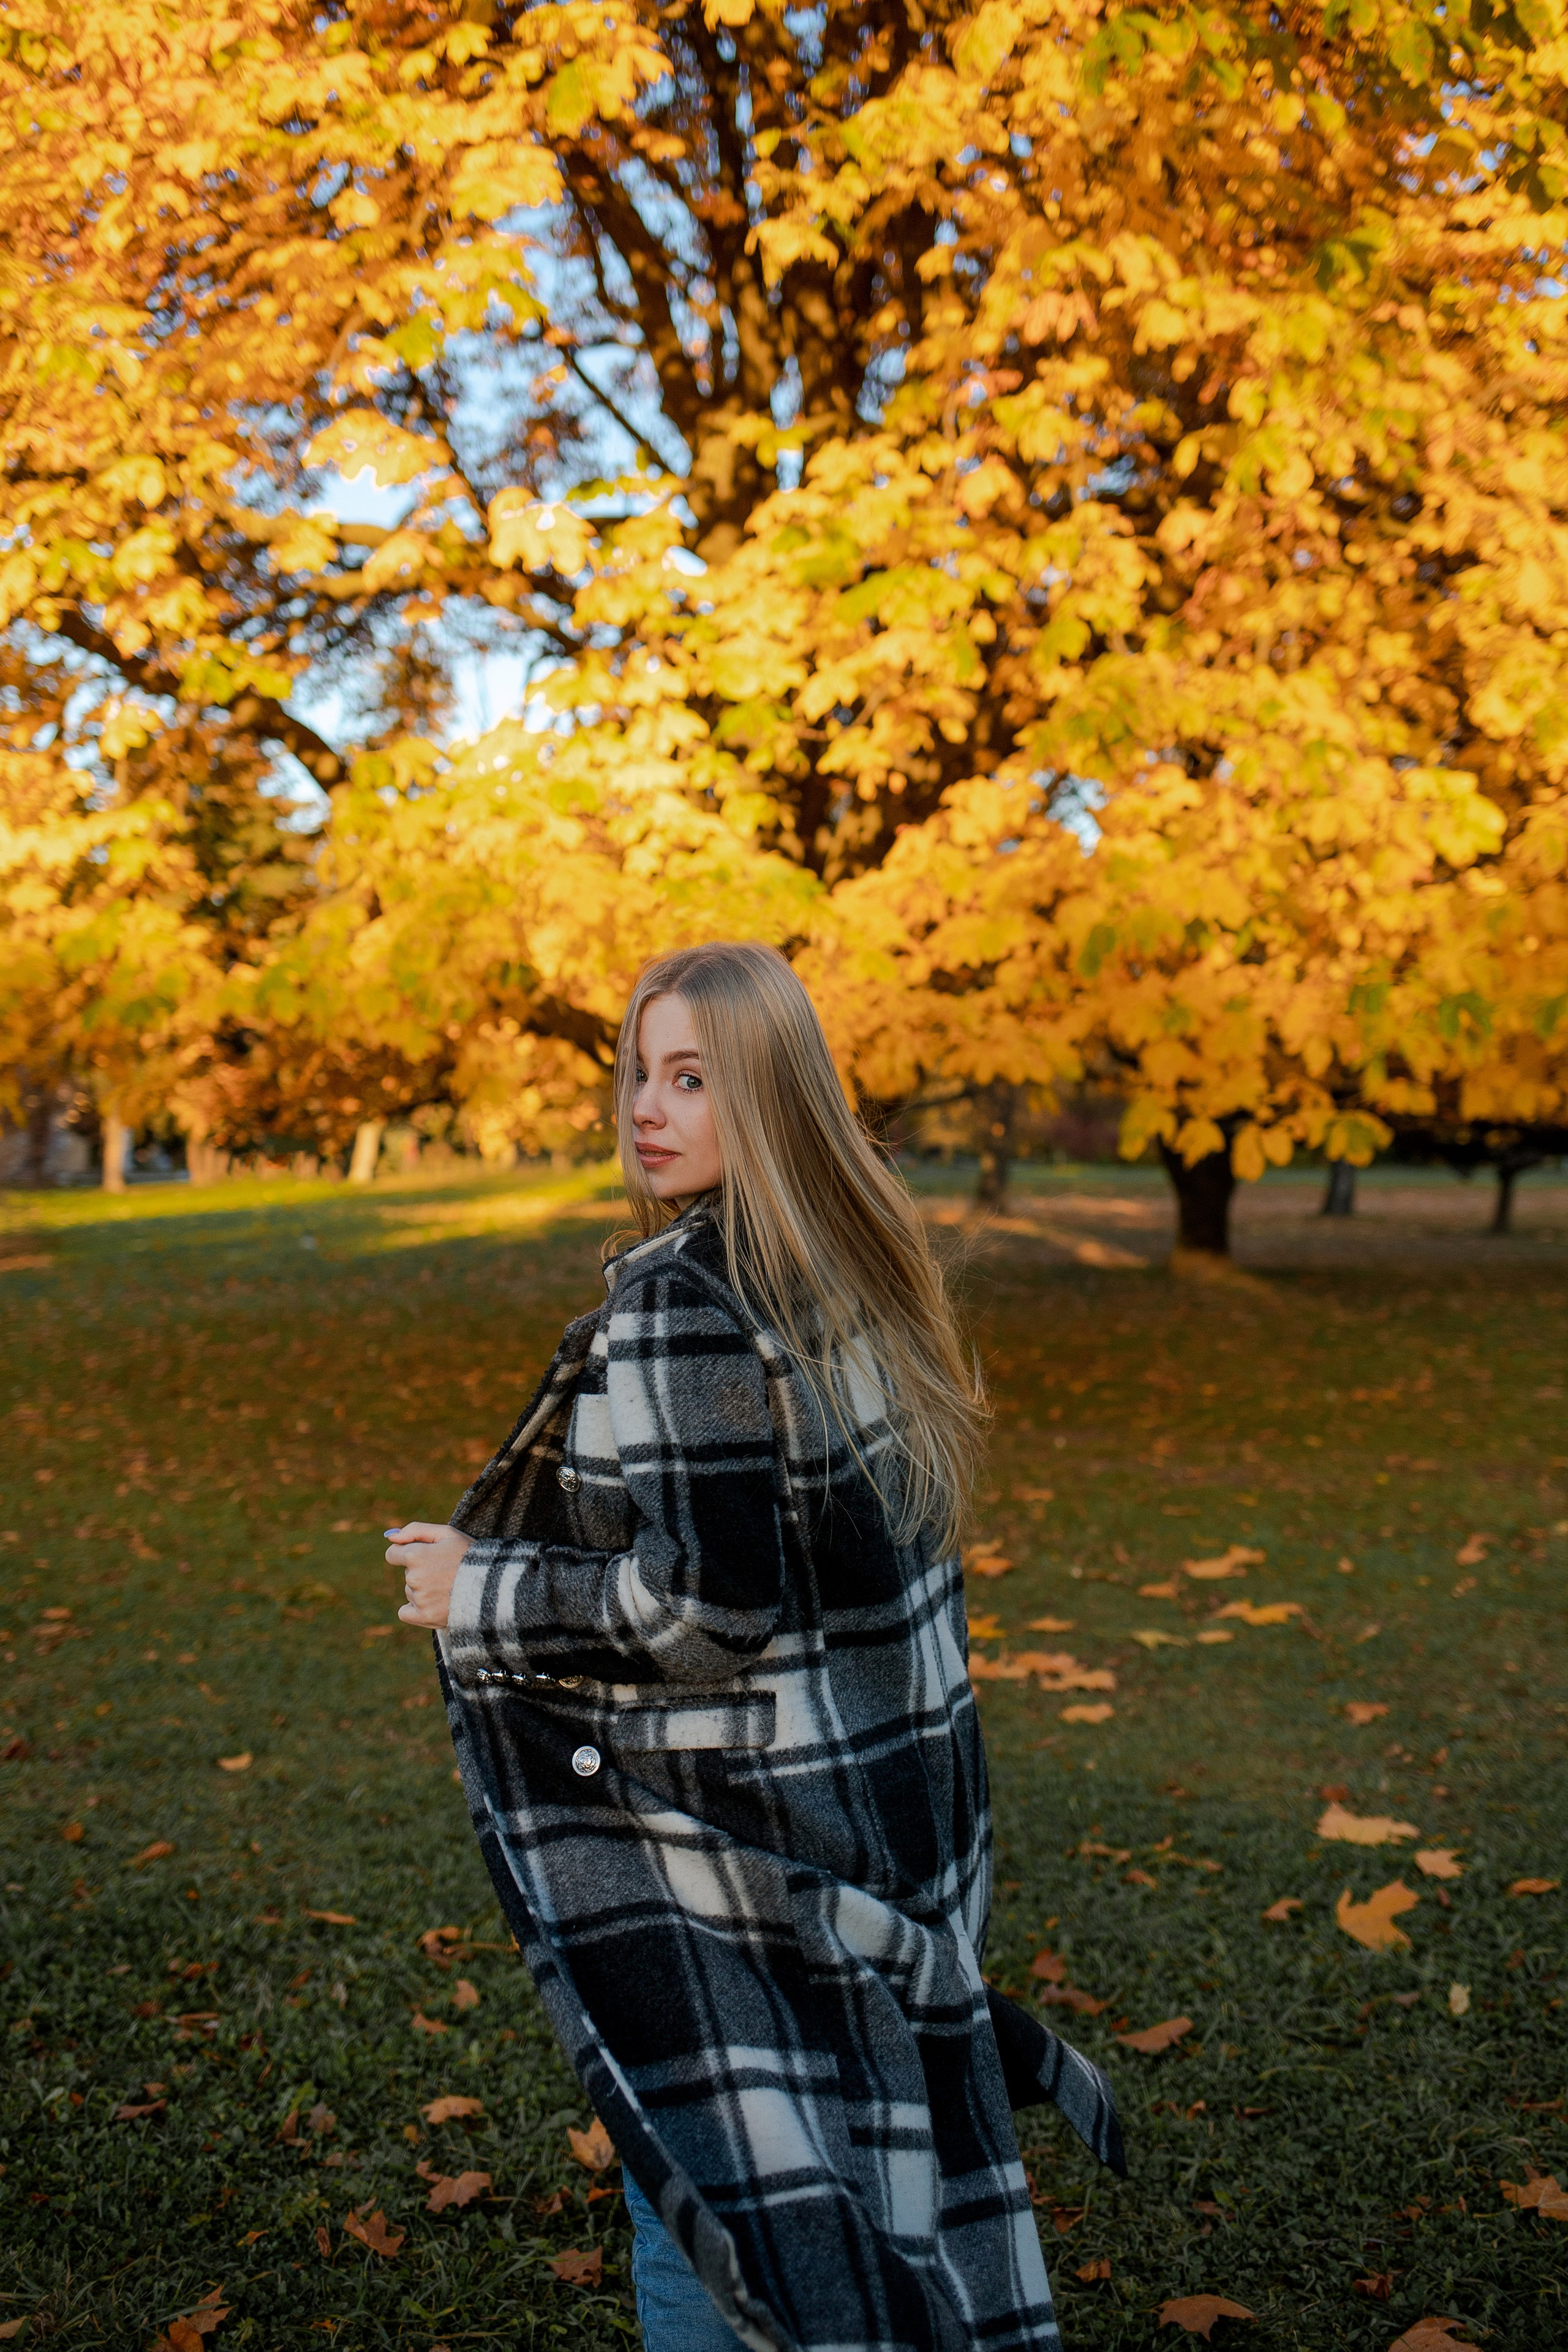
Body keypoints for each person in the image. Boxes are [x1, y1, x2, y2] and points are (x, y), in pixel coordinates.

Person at [386, 942, 1123, 2352]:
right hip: (884, 1829)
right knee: (855, 2190)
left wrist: (481, 1589)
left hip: (734, 1849)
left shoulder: (679, 1303)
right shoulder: (846, 1269)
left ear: (771, 1096)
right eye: (638, 1073)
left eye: (692, 1078)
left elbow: (703, 1611)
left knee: (719, 2214)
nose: (646, 1111)